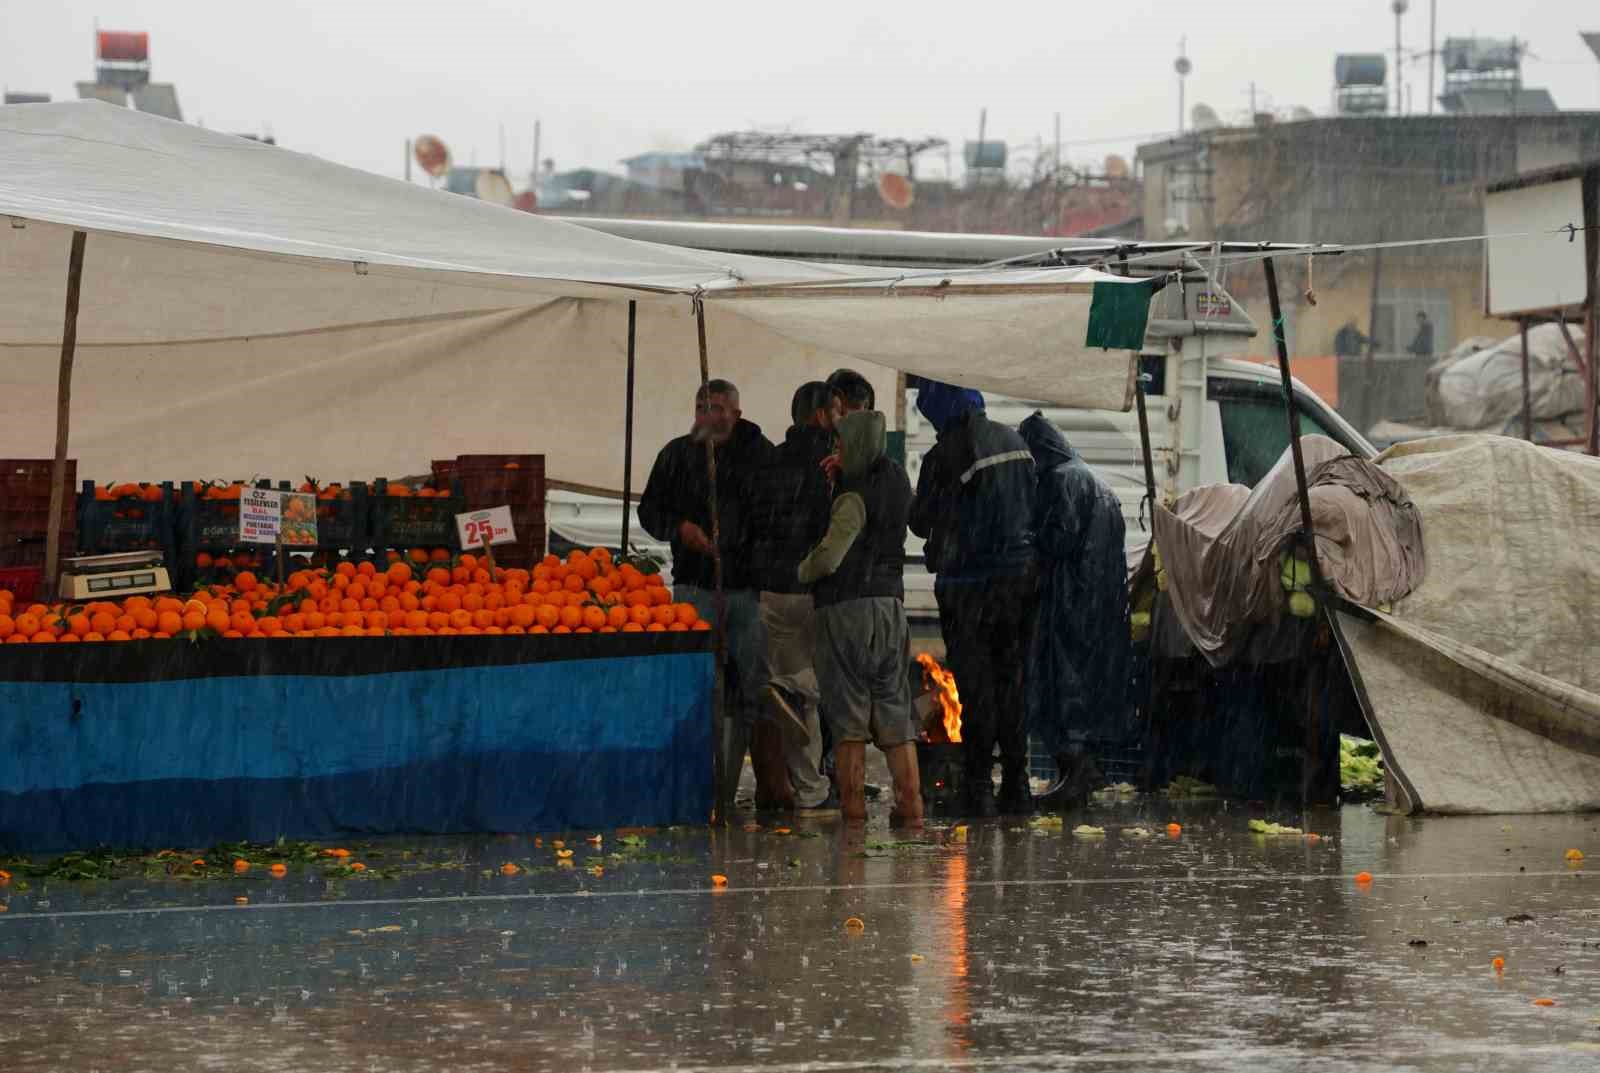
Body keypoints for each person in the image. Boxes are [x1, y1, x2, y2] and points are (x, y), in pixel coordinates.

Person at [637, 379, 786, 808]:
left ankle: (770, 788)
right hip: (693, 589)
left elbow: (777, 516)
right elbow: (650, 511)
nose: (710, 415)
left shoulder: (761, 456)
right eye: (703, 407)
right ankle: (694, 784)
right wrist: (681, 528)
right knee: (696, 686)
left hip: (747, 592)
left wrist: (740, 542)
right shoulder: (676, 455)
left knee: (754, 690)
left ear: (736, 414)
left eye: (719, 408)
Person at [908, 381, 1038, 818]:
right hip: (1020, 582)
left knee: (977, 686)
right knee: (1012, 681)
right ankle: (1017, 786)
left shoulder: (945, 453)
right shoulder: (1016, 442)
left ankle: (979, 788)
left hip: (969, 586)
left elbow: (921, 521)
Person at [798, 408, 923, 827]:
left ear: (854, 447)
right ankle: (911, 805)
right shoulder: (897, 480)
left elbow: (830, 557)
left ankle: (853, 811)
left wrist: (803, 570)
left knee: (848, 716)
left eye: (840, 446)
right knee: (894, 709)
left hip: (846, 609)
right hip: (890, 608)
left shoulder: (852, 497)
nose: (835, 453)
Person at [1017, 412, 1132, 810]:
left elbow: (1058, 539)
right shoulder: (1097, 483)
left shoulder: (1061, 480)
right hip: (1102, 605)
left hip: (1069, 603)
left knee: (1059, 688)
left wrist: (1029, 540)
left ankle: (1075, 773)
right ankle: (1085, 771)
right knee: (1089, 688)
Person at [746, 381, 840, 816]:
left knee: (786, 691)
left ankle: (788, 784)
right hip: (813, 590)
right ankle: (811, 790)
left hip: (770, 588)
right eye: (836, 411)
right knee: (812, 695)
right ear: (821, 415)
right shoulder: (832, 465)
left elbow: (754, 525)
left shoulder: (769, 460)